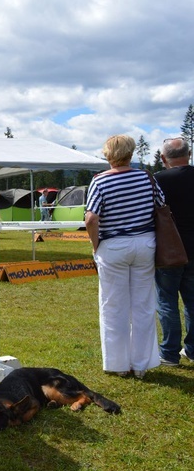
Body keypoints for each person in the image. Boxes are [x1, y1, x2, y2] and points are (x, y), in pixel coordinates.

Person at [85, 134, 161, 379]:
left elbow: (91, 218)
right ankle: (141, 365)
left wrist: (95, 245)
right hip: (145, 243)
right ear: (131, 153)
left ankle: (118, 364)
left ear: (108, 155)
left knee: (113, 306)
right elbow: (161, 205)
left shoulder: (100, 182)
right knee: (144, 306)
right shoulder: (146, 177)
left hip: (114, 246)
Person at [154, 137, 194, 366]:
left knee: (167, 301)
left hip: (169, 250)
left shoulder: (158, 180)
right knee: (192, 301)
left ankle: (169, 353)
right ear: (188, 154)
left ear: (163, 158)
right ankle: (192, 349)